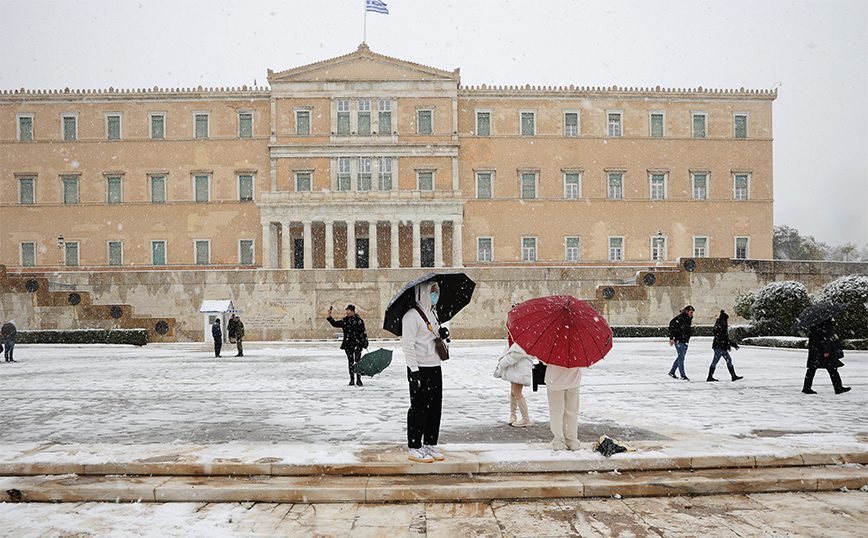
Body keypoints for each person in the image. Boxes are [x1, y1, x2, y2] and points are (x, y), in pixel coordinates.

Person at [402, 280, 446, 463]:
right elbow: (408, 345)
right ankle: (414, 446)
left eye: (436, 291)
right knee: (419, 408)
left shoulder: (433, 313)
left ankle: (429, 443)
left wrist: (442, 334)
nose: (434, 295)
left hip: (435, 366)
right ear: (423, 292)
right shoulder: (411, 316)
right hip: (420, 368)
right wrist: (413, 371)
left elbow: (431, 338)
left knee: (435, 408)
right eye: (432, 291)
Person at [803, 318, 851, 395]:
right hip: (823, 350)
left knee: (812, 369)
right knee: (832, 369)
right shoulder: (826, 324)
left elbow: (817, 337)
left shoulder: (814, 323)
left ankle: (806, 387)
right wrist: (827, 350)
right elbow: (825, 337)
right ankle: (838, 387)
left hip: (815, 349)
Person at [494, 341, 535, 427]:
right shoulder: (515, 341)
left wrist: (502, 363)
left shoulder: (522, 342)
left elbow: (513, 357)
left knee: (517, 392)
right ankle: (513, 416)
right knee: (513, 392)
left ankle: (526, 419)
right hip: (516, 370)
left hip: (520, 371)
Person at [327, 305, 368, 386]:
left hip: (357, 344)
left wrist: (365, 343)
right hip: (348, 344)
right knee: (350, 362)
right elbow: (335, 324)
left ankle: (359, 379)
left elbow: (363, 333)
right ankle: (352, 379)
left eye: (349, 310)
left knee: (358, 361)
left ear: (353, 311)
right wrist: (329, 316)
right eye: (346, 310)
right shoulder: (345, 320)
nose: (347, 312)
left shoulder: (359, 321)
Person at [545, 363, 583, 450]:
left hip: (555, 381)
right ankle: (572, 441)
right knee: (571, 412)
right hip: (573, 379)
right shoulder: (577, 349)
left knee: (556, 413)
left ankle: (558, 441)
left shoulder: (552, 349)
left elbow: (544, 361)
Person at [708, 310, 743, 382]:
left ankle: (733, 376)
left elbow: (724, 338)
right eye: (727, 319)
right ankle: (710, 376)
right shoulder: (720, 326)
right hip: (719, 347)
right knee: (715, 361)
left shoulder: (721, 325)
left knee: (728, 359)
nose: (728, 320)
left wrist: (730, 344)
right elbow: (724, 338)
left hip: (721, 347)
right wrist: (731, 344)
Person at [668, 305, 694, 380]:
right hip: (679, 340)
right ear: (686, 311)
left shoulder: (688, 318)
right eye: (691, 312)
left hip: (684, 340)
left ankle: (672, 371)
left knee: (681, 356)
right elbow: (672, 326)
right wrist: (672, 338)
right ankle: (682, 374)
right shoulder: (680, 318)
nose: (692, 314)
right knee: (681, 357)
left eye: (692, 313)